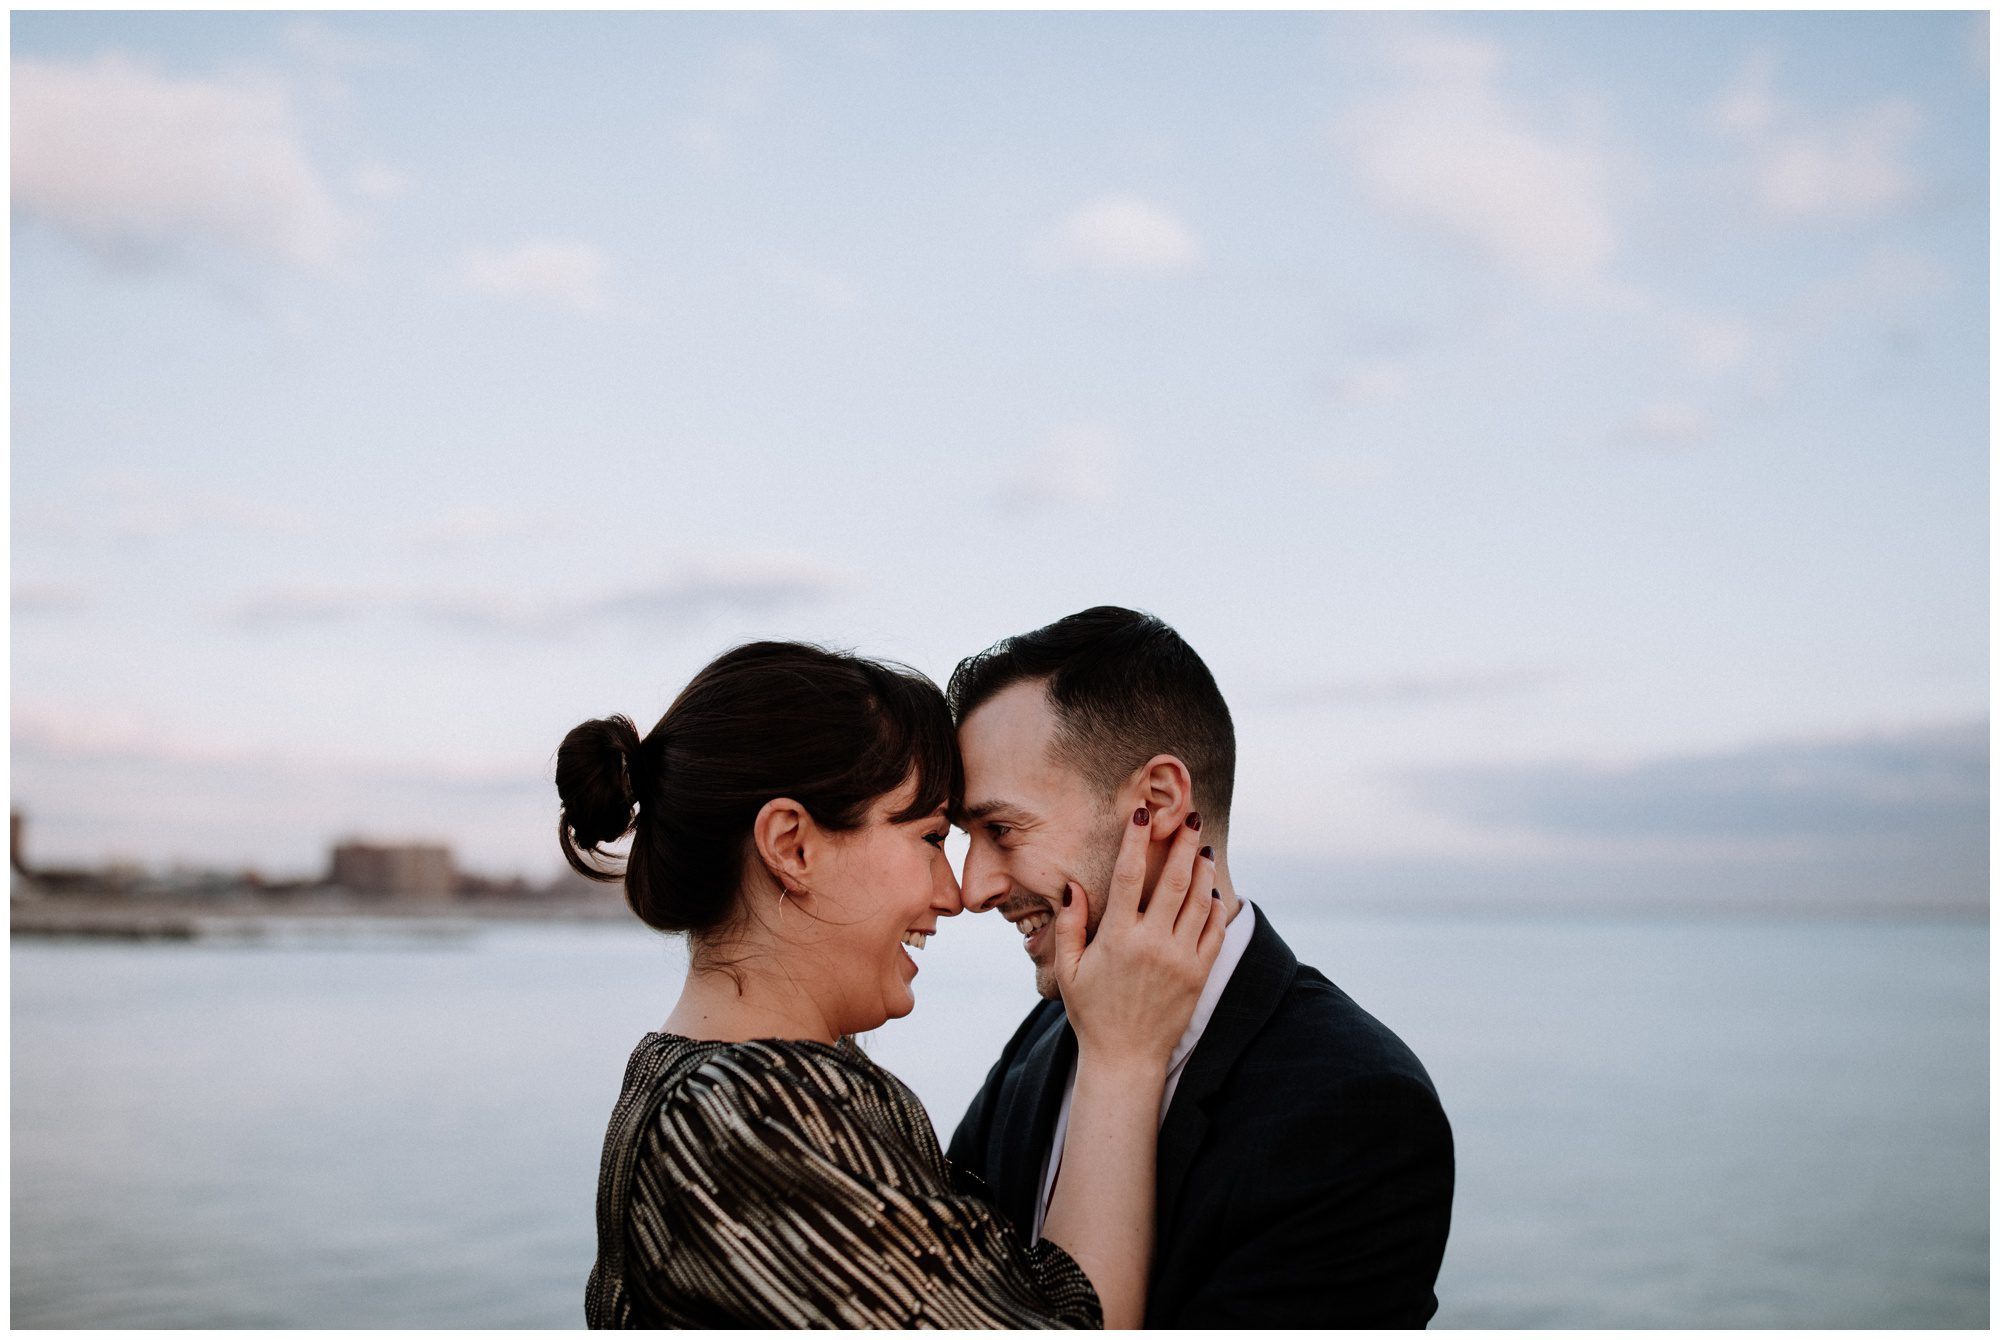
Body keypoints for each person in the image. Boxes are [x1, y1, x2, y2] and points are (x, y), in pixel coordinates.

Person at [558, 640, 1224, 1329]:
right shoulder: (745, 1124)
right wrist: (1123, 1060)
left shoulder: (718, 1089)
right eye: (933, 837)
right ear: (793, 847)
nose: (955, 892)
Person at [945, 606, 1457, 1327]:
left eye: (1000, 829)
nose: (973, 889)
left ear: (1155, 803)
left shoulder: (1358, 1104)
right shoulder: (1041, 1040)